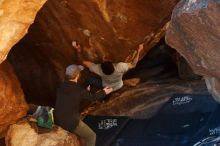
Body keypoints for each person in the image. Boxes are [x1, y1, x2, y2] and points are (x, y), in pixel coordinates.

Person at [54, 64, 113, 146]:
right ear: (77, 75)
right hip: (69, 122)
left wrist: (84, 91)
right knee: (91, 136)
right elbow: (93, 97)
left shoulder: (61, 86)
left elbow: (73, 94)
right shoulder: (79, 91)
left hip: (57, 118)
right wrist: (104, 92)